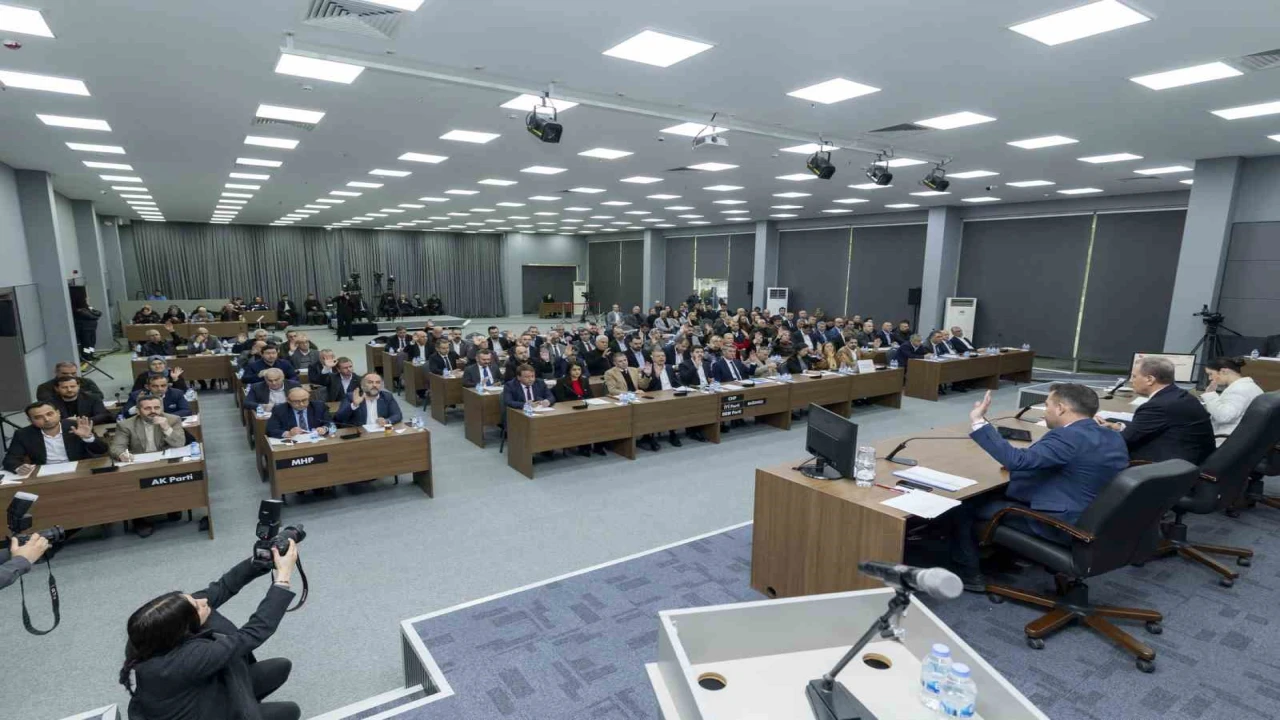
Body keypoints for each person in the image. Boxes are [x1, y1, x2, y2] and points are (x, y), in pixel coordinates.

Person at [945, 385, 1129, 590]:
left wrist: (978, 421)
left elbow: (1016, 460)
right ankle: (1003, 558)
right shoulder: (1112, 436)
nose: (1045, 411)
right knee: (1000, 493)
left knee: (965, 505)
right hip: (1098, 521)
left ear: (1061, 408)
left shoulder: (1067, 437)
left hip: (1064, 525)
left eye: (1047, 405)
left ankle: (969, 574)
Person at [120, 542, 301, 720]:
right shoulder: (186, 660)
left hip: (201, 691)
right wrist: (283, 579)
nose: (203, 601)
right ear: (183, 628)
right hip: (202, 712)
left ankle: (248, 701)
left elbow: (222, 587)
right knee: (290, 711)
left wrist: (257, 561)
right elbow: (253, 633)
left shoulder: (153, 633)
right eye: (197, 606)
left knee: (281, 666)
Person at [1098, 356, 1215, 464]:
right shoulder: (1181, 395)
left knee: (1101, 453)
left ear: (1150, 379)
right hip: (1193, 459)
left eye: (1134, 376)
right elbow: (1145, 427)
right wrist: (1117, 426)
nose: (1131, 381)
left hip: (1171, 466)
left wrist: (1091, 430)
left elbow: (1123, 440)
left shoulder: (1158, 406)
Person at [3, 402, 107, 473]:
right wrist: (19, 467)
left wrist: (88, 437)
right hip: (45, 473)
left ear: (58, 413)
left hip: (80, 470)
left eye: (50, 414)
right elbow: (10, 459)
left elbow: (102, 450)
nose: (47, 419)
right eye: (38, 417)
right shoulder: (23, 434)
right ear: (30, 421)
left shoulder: (77, 425)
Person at [551, 361, 608, 457]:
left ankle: (598, 447)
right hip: (570, 410)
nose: (577, 372)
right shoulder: (561, 382)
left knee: (600, 419)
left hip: (585, 408)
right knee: (584, 422)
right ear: (569, 371)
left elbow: (590, 396)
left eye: (579, 369)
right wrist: (577, 403)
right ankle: (584, 447)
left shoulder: (584, 380)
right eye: (574, 370)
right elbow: (561, 399)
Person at [1201, 357, 1265, 439]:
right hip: (1240, 436)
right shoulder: (1247, 386)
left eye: (1210, 374)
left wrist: (1210, 395)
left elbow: (1223, 417)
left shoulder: (1239, 390)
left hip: (1226, 438)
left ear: (1224, 371)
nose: (1210, 378)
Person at [647, 348, 690, 446]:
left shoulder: (669, 368)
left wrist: (684, 388)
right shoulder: (649, 369)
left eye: (663, 356)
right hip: (657, 397)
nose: (661, 358)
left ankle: (675, 432)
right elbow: (647, 388)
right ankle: (654, 435)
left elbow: (675, 382)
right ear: (652, 358)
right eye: (658, 356)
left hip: (671, 394)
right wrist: (656, 376)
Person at [335, 373, 403, 426]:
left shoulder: (387, 396)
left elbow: (397, 415)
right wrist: (354, 405)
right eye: (370, 382)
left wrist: (386, 421)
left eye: (377, 382)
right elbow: (339, 418)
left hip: (381, 431)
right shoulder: (351, 396)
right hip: (360, 433)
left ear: (381, 386)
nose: (374, 385)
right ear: (362, 386)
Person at [267, 387, 332, 439]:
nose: (301, 404)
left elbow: (330, 422)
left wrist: (324, 428)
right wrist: (288, 433)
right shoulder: (279, 409)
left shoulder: (319, 406)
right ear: (288, 400)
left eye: (304, 400)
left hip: (315, 439)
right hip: (293, 442)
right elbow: (271, 430)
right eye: (296, 401)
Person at [48, 375, 113, 425]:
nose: (69, 390)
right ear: (57, 388)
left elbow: (103, 415)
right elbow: (48, 420)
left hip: (90, 429)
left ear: (78, 386)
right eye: (64, 387)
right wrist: (66, 422)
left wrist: (80, 421)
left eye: (72, 386)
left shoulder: (93, 398)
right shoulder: (50, 403)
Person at [125, 374, 193, 418]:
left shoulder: (177, 393)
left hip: (169, 422)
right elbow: (126, 413)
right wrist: (138, 405)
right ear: (147, 387)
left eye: (163, 386)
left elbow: (186, 410)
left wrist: (165, 417)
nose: (160, 389)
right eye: (155, 386)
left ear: (168, 385)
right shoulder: (136, 395)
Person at [36, 361, 104, 403]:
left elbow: (99, 396)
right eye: (65, 373)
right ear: (56, 372)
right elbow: (47, 403)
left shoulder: (86, 382)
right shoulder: (44, 387)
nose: (70, 376)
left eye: (73, 373)